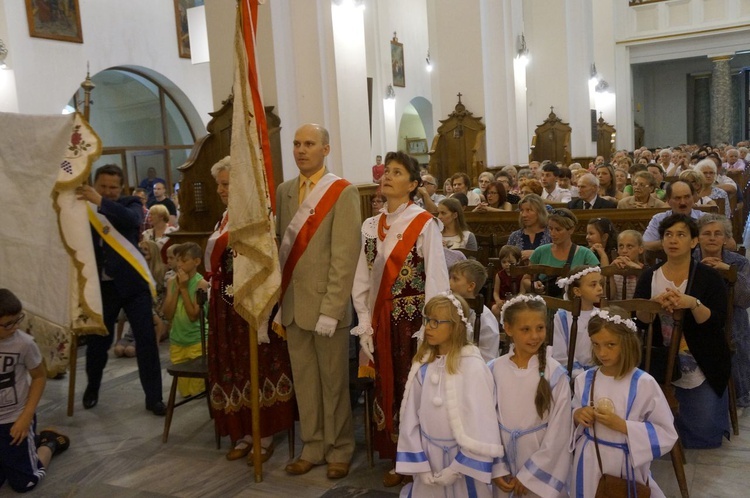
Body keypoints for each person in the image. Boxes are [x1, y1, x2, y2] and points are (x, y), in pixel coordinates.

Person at [351, 150, 449, 486]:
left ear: (412, 184)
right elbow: (362, 278)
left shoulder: (423, 223)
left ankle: (418, 458)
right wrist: (364, 320)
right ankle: (395, 455)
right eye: (386, 171)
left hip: (412, 323)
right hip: (380, 320)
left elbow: (436, 279)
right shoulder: (370, 226)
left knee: (413, 388)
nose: (387, 177)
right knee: (387, 386)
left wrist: (431, 326)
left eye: (396, 172)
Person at [277, 124, 361, 479]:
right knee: (306, 382)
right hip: (294, 306)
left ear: (326, 149)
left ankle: (340, 447)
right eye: (296, 144)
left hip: (328, 308)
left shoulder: (343, 192)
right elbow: (284, 252)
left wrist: (333, 308)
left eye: (309, 144)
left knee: (333, 383)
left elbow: (345, 256)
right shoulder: (284, 191)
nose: (301, 150)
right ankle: (312, 445)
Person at [206, 157, 295, 464]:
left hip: (252, 305)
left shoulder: (256, 219)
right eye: (219, 184)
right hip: (224, 307)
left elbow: (265, 265)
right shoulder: (224, 218)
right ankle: (243, 432)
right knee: (233, 367)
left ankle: (264, 434)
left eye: (226, 184)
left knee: (254, 365)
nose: (220, 189)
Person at [75, 164, 165, 415]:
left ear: (121, 187)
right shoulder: (83, 208)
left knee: (146, 342)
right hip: (102, 288)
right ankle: (92, 387)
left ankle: (154, 397)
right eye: (103, 186)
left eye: (113, 187)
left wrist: (100, 200)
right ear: (94, 183)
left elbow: (132, 221)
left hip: (134, 286)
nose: (108, 191)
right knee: (97, 343)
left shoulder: (130, 204)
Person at [634, 214, 731, 448]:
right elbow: (639, 320)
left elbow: (718, 321)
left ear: (693, 242)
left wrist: (692, 303)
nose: (673, 240)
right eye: (668, 235)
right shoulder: (650, 275)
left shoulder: (709, 277)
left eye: (681, 235)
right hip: (659, 357)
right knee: (654, 428)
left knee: (703, 435)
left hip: (700, 357)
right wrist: (653, 306)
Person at [395, 293, 502, 498]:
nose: (428, 327)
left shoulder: (472, 367)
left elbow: (481, 421)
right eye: (427, 320)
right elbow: (410, 417)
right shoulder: (423, 365)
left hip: (462, 462)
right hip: (428, 456)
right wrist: (421, 467)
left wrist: (457, 468)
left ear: (455, 326)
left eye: (436, 322)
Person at [571, 309, 678, 497]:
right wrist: (577, 415)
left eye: (610, 344)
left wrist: (624, 426)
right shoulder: (585, 379)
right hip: (589, 460)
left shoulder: (644, 384)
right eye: (596, 345)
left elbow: (666, 432)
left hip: (626, 464)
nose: (602, 352)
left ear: (627, 343)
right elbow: (571, 414)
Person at [491, 295, 572, 497]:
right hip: (502, 462)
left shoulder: (556, 374)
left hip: (541, 464)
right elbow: (485, 421)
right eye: (525, 329)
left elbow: (560, 431)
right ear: (508, 329)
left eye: (540, 328)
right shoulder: (494, 369)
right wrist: (497, 467)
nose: (534, 336)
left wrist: (531, 475)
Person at [0, 289, 70, 493]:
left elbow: (39, 377)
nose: (15, 327)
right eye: (8, 324)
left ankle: (49, 443)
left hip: (15, 420)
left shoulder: (24, 343)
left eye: (17, 320)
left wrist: (26, 417)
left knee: (24, 483)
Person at [694, 214, 750, 409]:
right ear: (697, 238)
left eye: (718, 234)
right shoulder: (690, 260)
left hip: (730, 317)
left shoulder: (739, 262)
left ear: (726, 239)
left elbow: (745, 300)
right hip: (698, 316)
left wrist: (728, 271)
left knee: (736, 325)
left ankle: (740, 394)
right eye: (706, 233)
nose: (712, 238)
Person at [161, 242, 209, 398]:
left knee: (197, 392)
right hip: (177, 340)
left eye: (184, 260)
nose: (179, 265)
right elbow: (167, 314)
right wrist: (177, 288)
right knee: (185, 392)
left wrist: (183, 288)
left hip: (196, 341)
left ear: (196, 262)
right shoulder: (171, 282)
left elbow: (193, 315)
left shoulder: (201, 283)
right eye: (178, 260)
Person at [523, 209, 599, 295]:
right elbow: (526, 279)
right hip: (544, 303)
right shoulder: (540, 252)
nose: (552, 233)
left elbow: (597, 282)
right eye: (550, 229)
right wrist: (533, 286)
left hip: (573, 304)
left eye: (558, 230)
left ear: (571, 230)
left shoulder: (586, 254)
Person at [552, 266, 603, 379]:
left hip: (597, 374)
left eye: (600, 283)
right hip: (568, 373)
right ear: (577, 291)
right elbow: (560, 353)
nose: (600, 288)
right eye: (593, 285)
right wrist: (578, 373)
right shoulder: (563, 316)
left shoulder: (602, 315)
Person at [449, 260, 500, 362]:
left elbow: (488, 356)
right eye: (450, 277)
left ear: (471, 286)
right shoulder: (447, 306)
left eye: (455, 279)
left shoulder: (484, 317)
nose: (449, 282)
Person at [507, 194, 551, 261]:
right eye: (521, 210)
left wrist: (535, 254)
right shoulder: (515, 236)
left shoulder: (551, 234)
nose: (524, 215)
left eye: (529, 210)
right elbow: (507, 260)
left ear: (539, 212)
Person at [609, 230, 645, 300]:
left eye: (629, 246)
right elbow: (610, 296)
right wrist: (610, 272)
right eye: (621, 246)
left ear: (640, 249)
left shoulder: (647, 271)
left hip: (638, 309)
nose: (624, 251)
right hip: (617, 309)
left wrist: (636, 270)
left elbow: (644, 297)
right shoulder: (615, 271)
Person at [491, 245, 523, 317]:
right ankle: (497, 327)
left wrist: (514, 300)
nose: (507, 264)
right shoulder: (499, 275)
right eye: (504, 262)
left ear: (518, 261)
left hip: (517, 301)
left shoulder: (522, 275)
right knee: (494, 309)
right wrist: (498, 300)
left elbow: (522, 292)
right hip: (503, 300)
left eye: (510, 262)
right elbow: (496, 292)